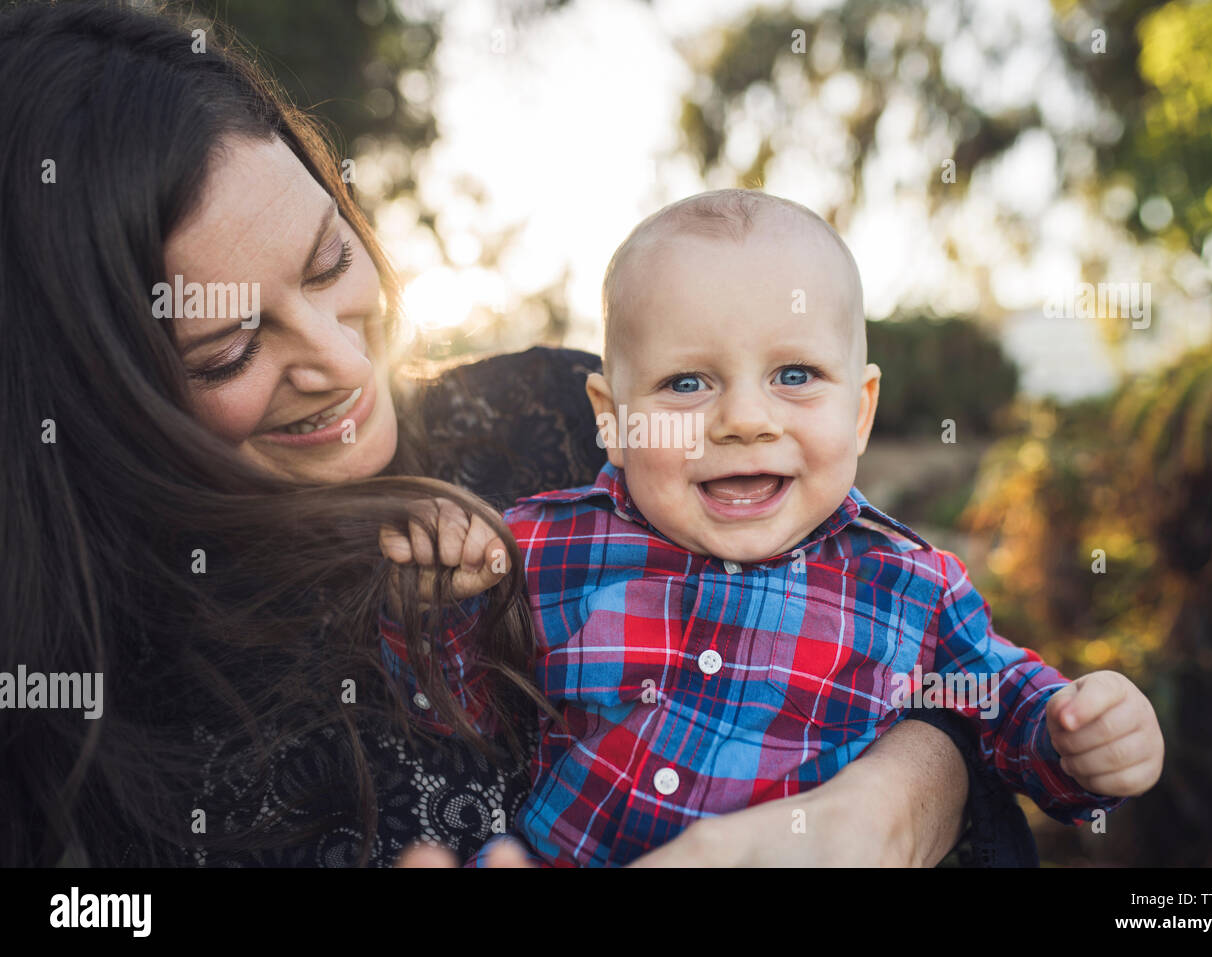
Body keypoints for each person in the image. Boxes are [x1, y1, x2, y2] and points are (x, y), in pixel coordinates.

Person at [1, 1, 989, 868]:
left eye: (328, 259)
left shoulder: (567, 423)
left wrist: (898, 804)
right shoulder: (71, 726)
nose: (343, 365)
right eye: (225, 349)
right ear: (87, 389)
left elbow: (897, 642)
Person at [381, 190, 1165, 867]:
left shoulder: (911, 586)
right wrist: (432, 595)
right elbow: (454, 706)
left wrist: (1080, 737)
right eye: (687, 382)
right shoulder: (548, 547)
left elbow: (1005, 713)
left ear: (860, 411)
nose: (746, 420)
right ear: (613, 422)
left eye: (794, 375)